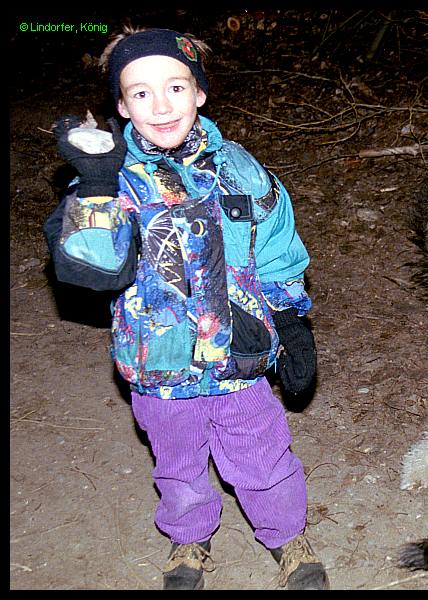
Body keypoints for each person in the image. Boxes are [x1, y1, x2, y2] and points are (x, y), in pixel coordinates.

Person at [43, 26, 329, 590]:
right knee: (178, 464)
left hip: (239, 355)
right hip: (158, 360)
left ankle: (287, 534)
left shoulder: (241, 169)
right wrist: (97, 184)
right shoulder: (109, 177)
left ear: (199, 92)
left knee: (263, 455)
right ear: (121, 106)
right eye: (141, 93)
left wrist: (292, 318)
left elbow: (277, 245)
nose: (161, 105)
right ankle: (188, 537)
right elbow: (92, 268)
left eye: (175, 87)